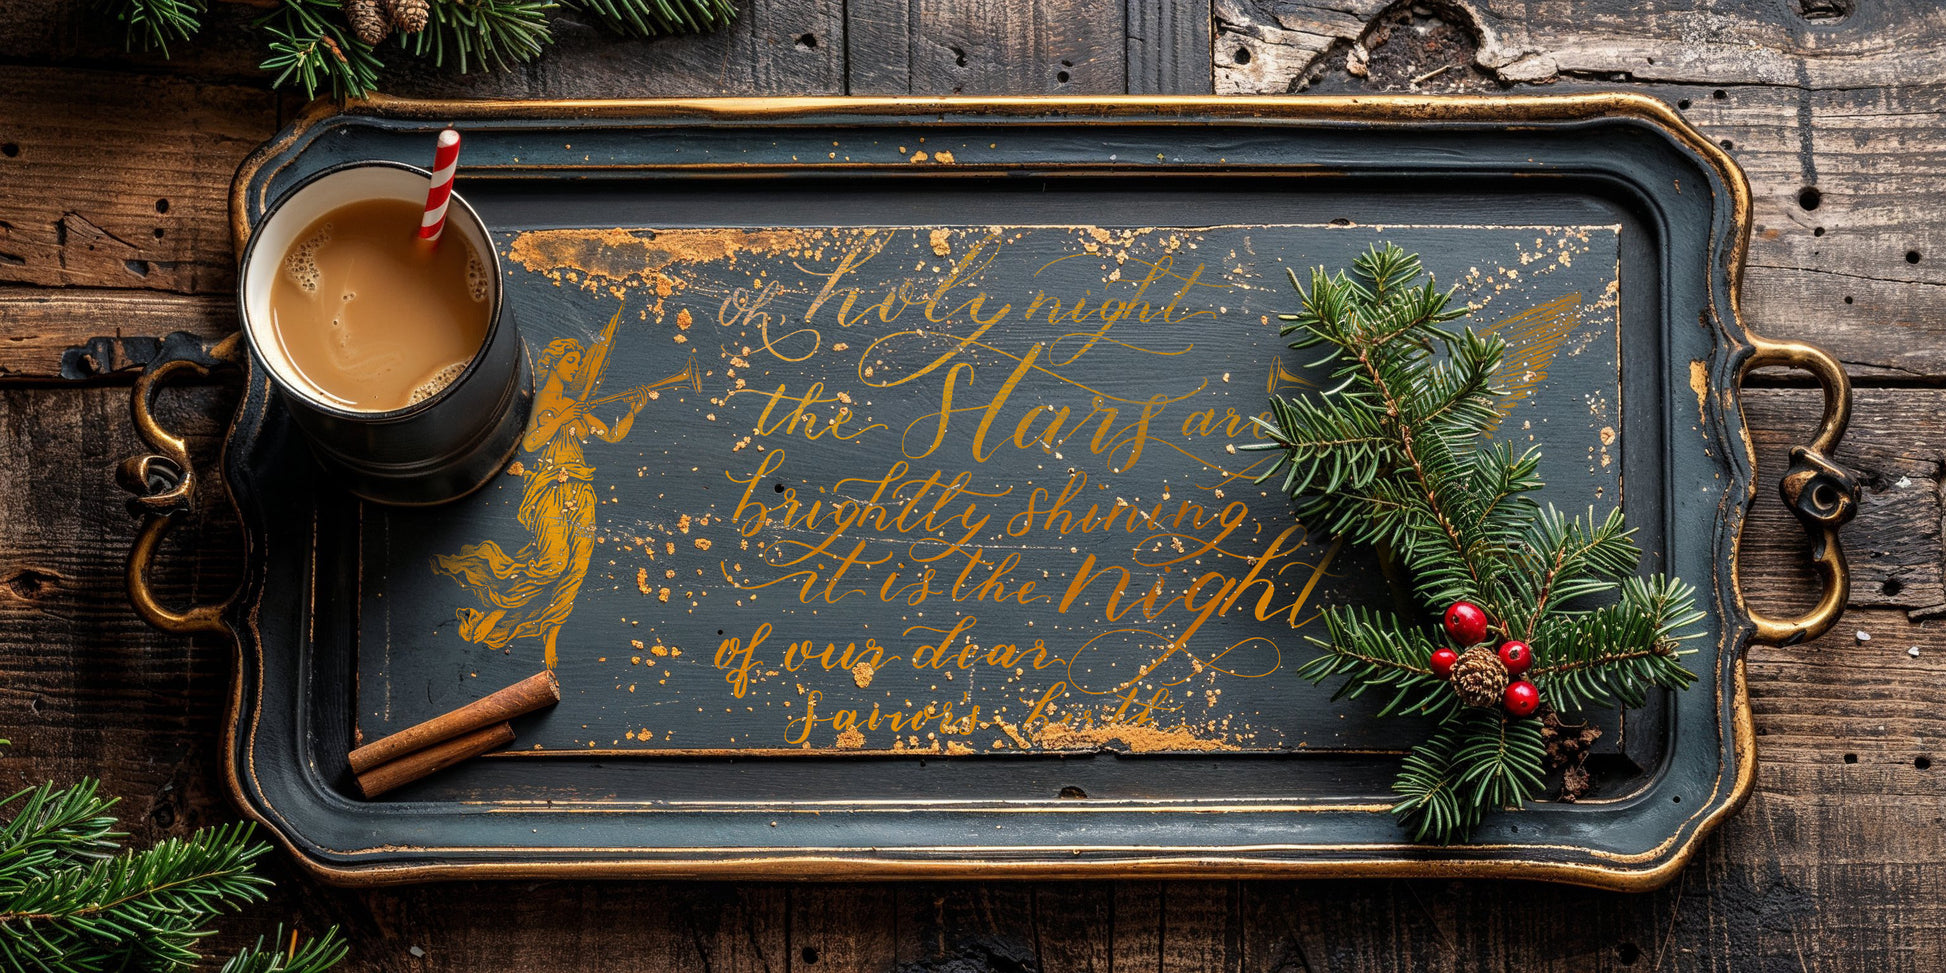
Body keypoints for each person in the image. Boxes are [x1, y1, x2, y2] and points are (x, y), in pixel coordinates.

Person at [434, 305, 654, 670]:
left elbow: (610, 434)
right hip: (550, 490)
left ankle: (550, 634)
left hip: (581, 492)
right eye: (571, 362)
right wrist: (561, 419)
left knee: (576, 567)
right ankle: (495, 610)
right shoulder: (540, 399)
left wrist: (631, 409)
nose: (576, 368)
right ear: (554, 362)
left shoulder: (572, 404)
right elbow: (532, 444)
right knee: (552, 563)